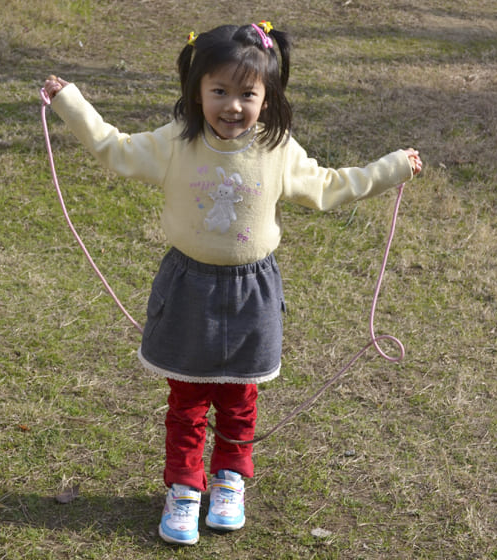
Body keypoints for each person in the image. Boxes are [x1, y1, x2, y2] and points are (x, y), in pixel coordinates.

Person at [42, 21, 422, 546]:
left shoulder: (276, 150)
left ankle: (229, 479)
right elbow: (115, 148)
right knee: (188, 398)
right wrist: (71, 102)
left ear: (267, 98)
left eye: (248, 94)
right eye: (219, 91)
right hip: (188, 287)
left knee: (240, 397)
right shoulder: (176, 143)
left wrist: (393, 168)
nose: (232, 106)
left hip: (252, 292)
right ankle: (183, 487)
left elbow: (331, 186)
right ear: (197, 91)